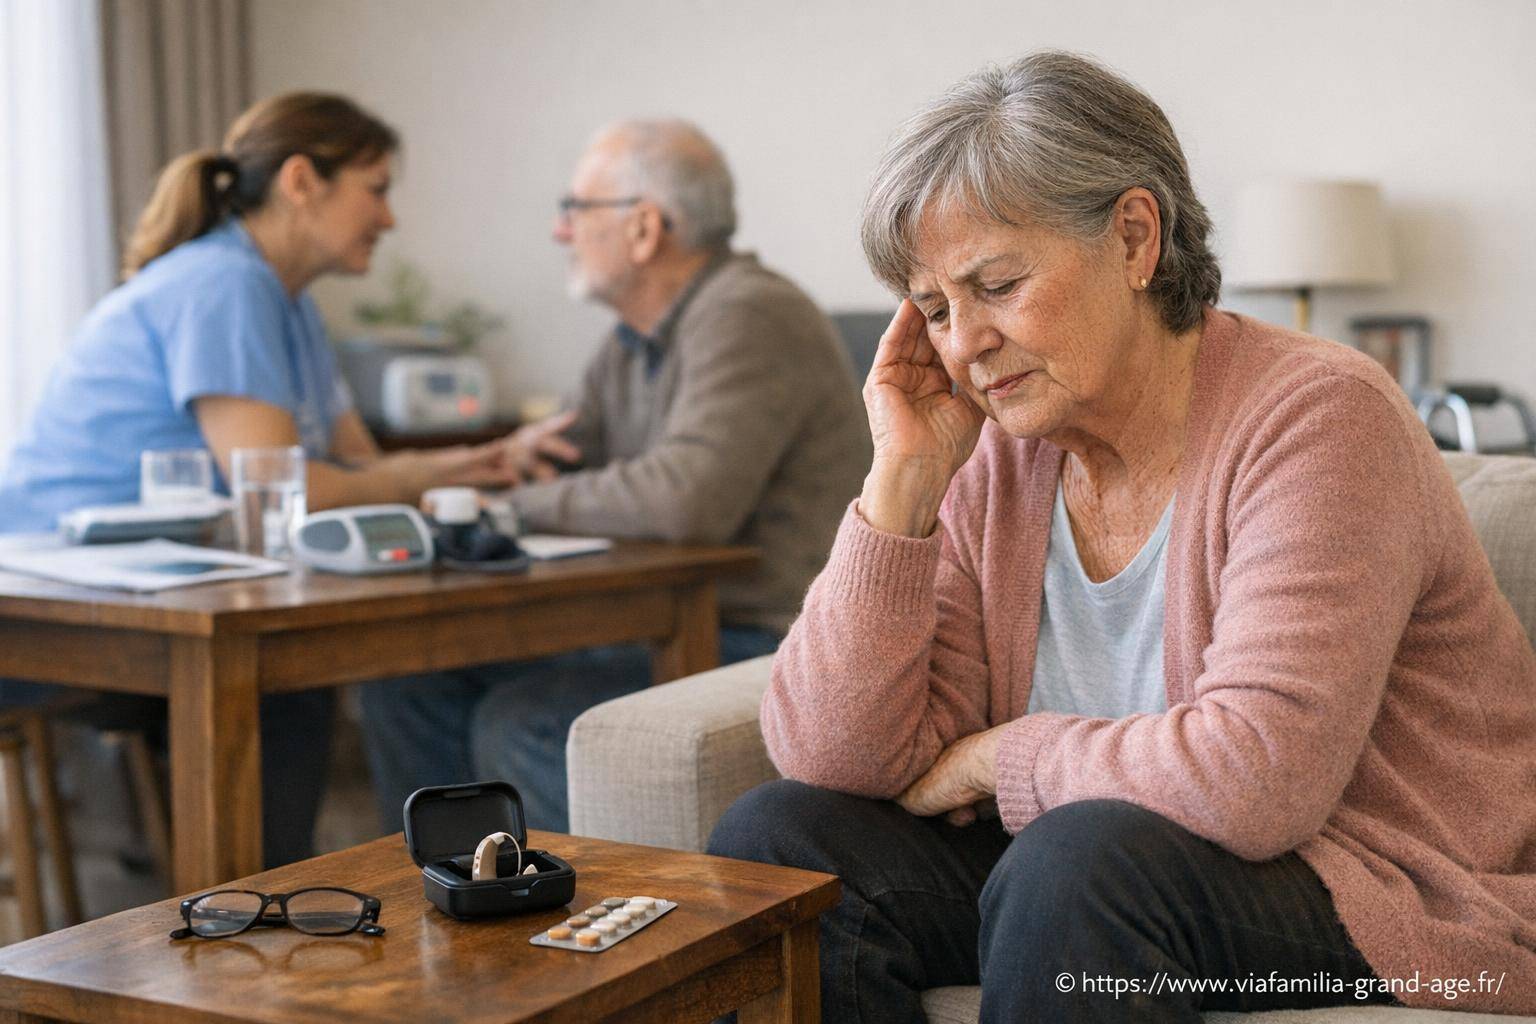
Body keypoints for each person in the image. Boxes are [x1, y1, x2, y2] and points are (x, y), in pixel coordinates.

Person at [707, 52, 1536, 1021]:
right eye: (936, 309)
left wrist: (996, 756)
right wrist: (902, 485)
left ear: (1135, 237)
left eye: (998, 284)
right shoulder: (1000, 451)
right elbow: (834, 755)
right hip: (1119, 868)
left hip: (1388, 880)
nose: (964, 343)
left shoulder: (1321, 416)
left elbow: (1253, 780)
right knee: (778, 841)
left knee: (1080, 864)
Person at [0, 92, 546, 866]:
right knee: (279, 682)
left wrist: (474, 465)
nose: (388, 218)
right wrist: (434, 472)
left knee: (301, 678)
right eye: (377, 187)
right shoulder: (224, 284)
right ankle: (250, 927)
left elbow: (360, 464)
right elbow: (292, 490)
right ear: (302, 181)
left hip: (139, 593)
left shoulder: (288, 305)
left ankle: (275, 910)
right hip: (44, 604)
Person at [360, 120, 871, 833]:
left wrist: (510, 506)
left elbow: (681, 500)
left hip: (759, 632)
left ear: (644, 228)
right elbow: (568, 455)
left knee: (524, 721)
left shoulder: (750, 313)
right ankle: (438, 901)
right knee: (409, 679)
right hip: (660, 619)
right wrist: (512, 465)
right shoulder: (633, 337)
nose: (558, 231)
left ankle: (558, 923)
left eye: (574, 209)